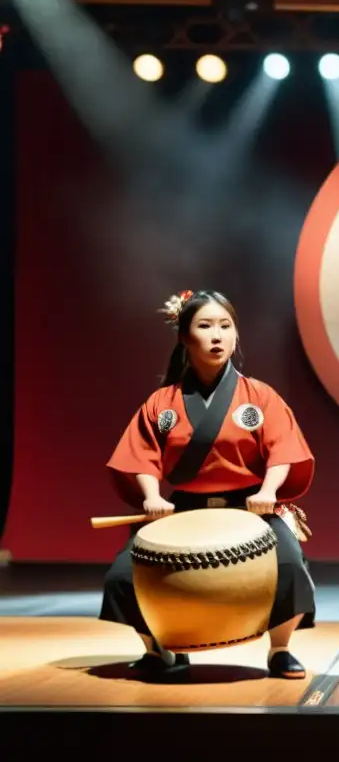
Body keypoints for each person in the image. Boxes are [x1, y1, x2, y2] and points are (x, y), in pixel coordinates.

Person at [99, 289, 317, 681]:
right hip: (183, 508)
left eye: (225, 326)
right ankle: (157, 649)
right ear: (184, 337)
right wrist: (151, 497)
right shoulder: (161, 402)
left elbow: (283, 449)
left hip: (251, 506)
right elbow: (141, 455)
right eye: (205, 326)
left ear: (235, 336)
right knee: (122, 573)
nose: (217, 335)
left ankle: (281, 649)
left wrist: (268, 491)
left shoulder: (259, 396)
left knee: (288, 563)